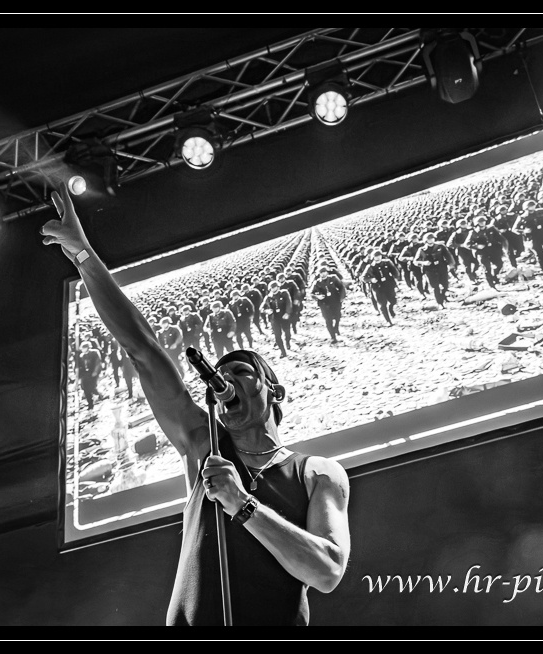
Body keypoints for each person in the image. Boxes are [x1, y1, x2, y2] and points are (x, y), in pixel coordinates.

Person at [41, 182, 350, 626]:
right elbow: (143, 350)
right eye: (219, 375)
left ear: (275, 392)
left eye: (241, 371)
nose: (225, 381)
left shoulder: (317, 473)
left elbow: (327, 571)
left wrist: (242, 504)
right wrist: (83, 256)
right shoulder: (205, 445)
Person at [413, 231, 456, 308]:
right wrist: (424, 263)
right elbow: (415, 261)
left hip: (442, 268)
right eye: (429, 239)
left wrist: (451, 265)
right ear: (426, 240)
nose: (431, 240)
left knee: (445, 285)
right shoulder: (422, 250)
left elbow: (448, 256)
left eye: (432, 238)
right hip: (430, 270)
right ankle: (440, 303)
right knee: (435, 287)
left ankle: (443, 297)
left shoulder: (440, 247)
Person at [361, 249, 400, 326]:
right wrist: (371, 279)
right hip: (378, 287)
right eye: (376, 256)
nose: (378, 258)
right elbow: (363, 277)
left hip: (389, 286)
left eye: (379, 256)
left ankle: (391, 309)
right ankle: (388, 321)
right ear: (373, 257)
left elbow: (395, 272)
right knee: (383, 304)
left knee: (393, 301)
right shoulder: (370, 267)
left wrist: (396, 278)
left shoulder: (387, 263)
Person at [310, 266, 346, 343]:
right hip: (324, 304)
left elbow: (341, 287)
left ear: (327, 272)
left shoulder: (333, 278)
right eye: (321, 273)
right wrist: (317, 296)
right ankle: (333, 337)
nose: (323, 274)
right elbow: (311, 293)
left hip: (335, 301)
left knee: (337, 316)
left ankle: (336, 327)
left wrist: (341, 298)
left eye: (324, 272)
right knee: (328, 320)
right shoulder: (317, 282)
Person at [262, 280, 293, 358]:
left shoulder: (284, 293)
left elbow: (289, 303)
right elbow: (261, 308)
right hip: (275, 319)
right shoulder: (268, 297)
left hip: (284, 317)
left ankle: (288, 342)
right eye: (272, 288)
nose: (274, 289)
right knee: (277, 336)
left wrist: (287, 313)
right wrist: (266, 311)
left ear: (278, 287)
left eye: (275, 287)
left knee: (287, 333)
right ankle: (283, 352)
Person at [76, 339, 104, 411]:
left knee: (92, 387)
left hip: (93, 373)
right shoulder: (81, 356)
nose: (83, 349)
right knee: (85, 388)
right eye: (82, 348)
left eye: (84, 348)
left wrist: (95, 371)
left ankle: (99, 394)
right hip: (85, 374)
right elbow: (79, 366)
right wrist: (79, 376)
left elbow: (98, 362)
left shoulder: (94, 353)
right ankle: (90, 404)